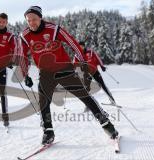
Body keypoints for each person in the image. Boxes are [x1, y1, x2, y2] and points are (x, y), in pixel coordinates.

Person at [18, 6, 119, 145]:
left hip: (64, 68)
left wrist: (82, 61)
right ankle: (48, 132)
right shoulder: (25, 36)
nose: (31, 23)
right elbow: (22, 56)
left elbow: (72, 43)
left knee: (84, 95)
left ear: (40, 17)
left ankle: (107, 124)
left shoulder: (54, 29)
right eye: (28, 20)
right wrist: (26, 75)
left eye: (34, 19)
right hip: (46, 73)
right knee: (43, 101)